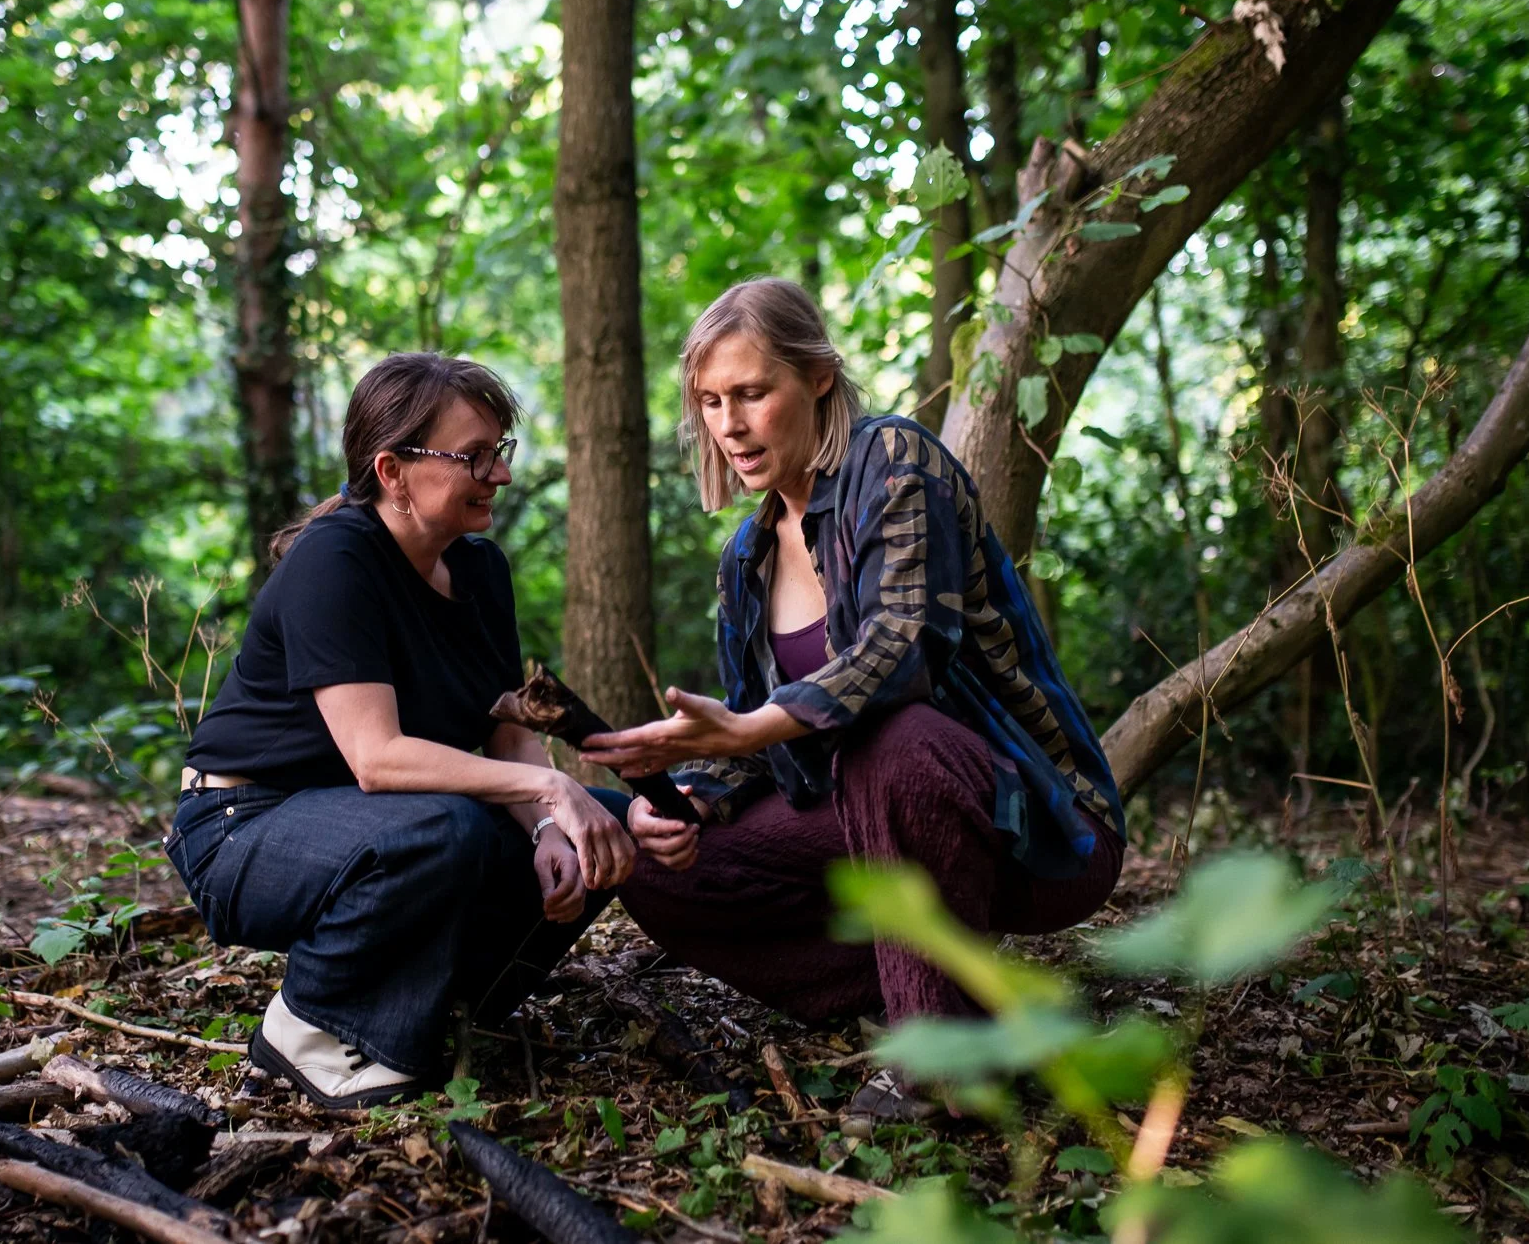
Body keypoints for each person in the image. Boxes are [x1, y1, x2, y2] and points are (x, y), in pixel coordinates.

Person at [584, 278, 1126, 1125]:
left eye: (754, 393)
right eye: (712, 401)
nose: (730, 423)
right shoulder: (746, 557)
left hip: (1040, 822)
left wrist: (748, 730)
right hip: (865, 824)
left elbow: (900, 652)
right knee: (651, 855)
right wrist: (697, 791)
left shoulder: (895, 463)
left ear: (819, 378)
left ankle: (936, 1064)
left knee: (892, 739)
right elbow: (765, 741)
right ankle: (957, 999)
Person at [169, 352, 681, 1109]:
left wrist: (546, 825)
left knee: (598, 825)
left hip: (367, 824)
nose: (498, 474)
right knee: (442, 828)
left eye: (499, 452)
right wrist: (549, 784)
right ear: (392, 469)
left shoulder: (479, 570)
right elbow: (377, 759)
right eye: (474, 455)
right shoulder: (335, 561)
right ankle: (306, 1028)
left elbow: (503, 727)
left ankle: (435, 1017)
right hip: (243, 827)